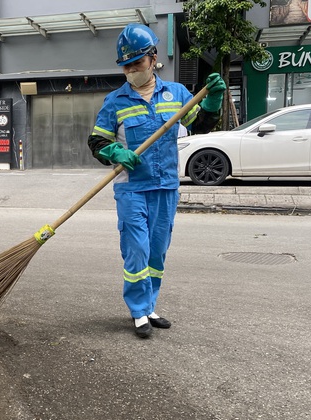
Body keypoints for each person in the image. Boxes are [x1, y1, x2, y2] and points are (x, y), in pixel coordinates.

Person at [87, 23, 224, 339]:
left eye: (137, 62)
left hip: (165, 187)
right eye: (127, 65)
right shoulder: (115, 102)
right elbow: (96, 142)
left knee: (157, 253)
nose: (132, 69)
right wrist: (116, 152)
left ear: (153, 58)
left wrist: (213, 101)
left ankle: (150, 306)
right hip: (131, 188)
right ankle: (137, 311)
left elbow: (201, 124)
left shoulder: (176, 94)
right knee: (136, 249)